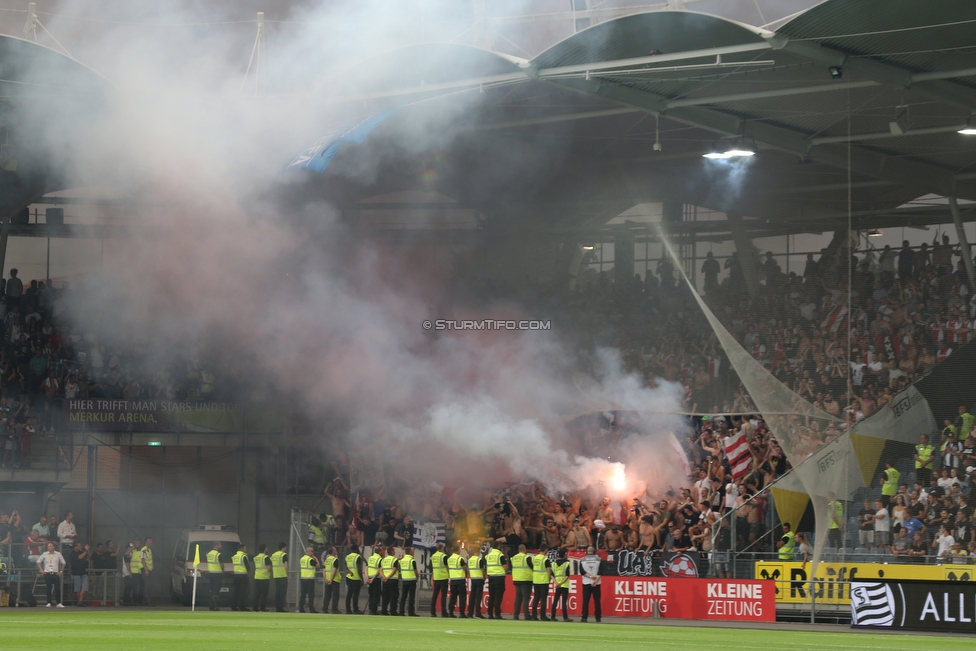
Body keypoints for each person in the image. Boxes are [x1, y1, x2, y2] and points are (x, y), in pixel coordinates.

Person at [37, 541, 66, 607]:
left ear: (53, 547)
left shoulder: (58, 554)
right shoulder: (45, 554)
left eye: (50, 546)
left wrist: (61, 571)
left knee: (57, 588)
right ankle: (49, 602)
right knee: (48, 588)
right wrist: (42, 570)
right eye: (48, 546)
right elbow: (38, 561)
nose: (49, 548)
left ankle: (58, 602)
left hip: (55, 573)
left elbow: (63, 563)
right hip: (47, 573)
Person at [485, 540, 508, 620]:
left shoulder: (488, 555)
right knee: (498, 596)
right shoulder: (500, 555)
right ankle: (497, 614)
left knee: (491, 596)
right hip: (499, 577)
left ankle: (490, 613)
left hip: (491, 577)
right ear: (498, 546)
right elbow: (505, 567)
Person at [579, 546, 602, 623]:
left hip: (586, 582)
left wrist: (591, 577)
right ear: (594, 551)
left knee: (586, 601)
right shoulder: (599, 560)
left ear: (586, 552)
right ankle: (598, 618)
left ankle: (584, 617)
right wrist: (595, 579)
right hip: (596, 583)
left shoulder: (582, 560)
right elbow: (601, 571)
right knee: (597, 601)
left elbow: (582, 572)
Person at [530, 545, 552, 621]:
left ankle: (533, 615)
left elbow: (533, 568)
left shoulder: (534, 558)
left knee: (536, 598)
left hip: (536, 580)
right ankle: (542, 616)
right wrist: (549, 579)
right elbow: (549, 570)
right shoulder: (545, 559)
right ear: (545, 550)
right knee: (543, 599)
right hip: (544, 581)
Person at [510, 544, 532, 620]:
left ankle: (516, 615)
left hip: (516, 579)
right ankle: (526, 615)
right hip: (526, 579)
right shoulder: (527, 557)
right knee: (526, 598)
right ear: (524, 549)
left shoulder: (513, 558)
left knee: (518, 598)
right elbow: (533, 567)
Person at [446, 543, 468, 617]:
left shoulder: (449, 559)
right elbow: (465, 569)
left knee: (453, 597)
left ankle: (451, 612)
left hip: (453, 580)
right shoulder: (460, 559)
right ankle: (461, 613)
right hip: (460, 580)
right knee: (462, 597)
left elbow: (448, 568)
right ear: (458, 550)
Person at [550, 548, 572, 622]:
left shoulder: (553, 563)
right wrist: (561, 583)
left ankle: (553, 616)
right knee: (563, 601)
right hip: (564, 585)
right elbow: (567, 575)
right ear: (565, 555)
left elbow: (551, 575)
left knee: (555, 600)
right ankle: (565, 617)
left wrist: (556, 583)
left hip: (557, 585)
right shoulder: (567, 563)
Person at [429, 542, 449, 617]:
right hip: (443, 577)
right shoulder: (443, 556)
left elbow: (432, 567)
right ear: (442, 548)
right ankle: (443, 612)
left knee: (435, 595)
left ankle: (432, 612)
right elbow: (447, 566)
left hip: (436, 577)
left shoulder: (433, 556)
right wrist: (449, 574)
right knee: (443, 596)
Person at [397, 545, 419, 617]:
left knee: (403, 596)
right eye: (412, 551)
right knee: (411, 597)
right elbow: (416, 571)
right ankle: (411, 612)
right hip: (412, 580)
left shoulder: (402, 560)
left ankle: (401, 611)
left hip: (404, 580)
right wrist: (417, 577)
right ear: (410, 551)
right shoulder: (412, 560)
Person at [466, 545, 485, 619]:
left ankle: (470, 613)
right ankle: (477, 613)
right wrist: (484, 577)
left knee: (472, 596)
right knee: (478, 597)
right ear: (479, 551)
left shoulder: (470, 560)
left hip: (473, 579)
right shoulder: (479, 560)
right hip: (479, 579)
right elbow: (482, 570)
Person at [298, 545, 319, 613]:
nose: (313, 553)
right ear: (308, 552)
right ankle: (311, 609)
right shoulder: (310, 560)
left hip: (303, 578)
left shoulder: (302, 559)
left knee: (303, 594)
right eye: (312, 551)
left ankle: (301, 608)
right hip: (310, 579)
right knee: (311, 595)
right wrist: (315, 558)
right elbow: (318, 565)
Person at [344, 544, 365, 614]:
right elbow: (359, 568)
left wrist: (349, 572)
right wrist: (362, 578)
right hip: (356, 578)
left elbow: (345, 568)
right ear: (357, 549)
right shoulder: (358, 557)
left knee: (349, 594)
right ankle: (355, 609)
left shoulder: (347, 557)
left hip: (349, 577)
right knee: (355, 595)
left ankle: (348, 609)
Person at [380, 545, 399, 616]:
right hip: (392, 580)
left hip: (385, 581)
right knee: (393, 596)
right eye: (394, 550)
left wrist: (384, 577)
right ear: (391, 551)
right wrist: (388, 577)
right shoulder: (394, 560)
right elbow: (394, 570)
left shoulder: (383, 560)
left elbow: (380, 570)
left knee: (385, 596)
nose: (394, 552)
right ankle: (393, 611)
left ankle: (384, 610)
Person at [252, 543, 272, 612]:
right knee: (264, 594)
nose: (267, 549)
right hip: (264, 578)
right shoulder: (266, 557)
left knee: (256, 594)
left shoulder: (256, 557)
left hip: (257, 577)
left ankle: (255, 608)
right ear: (264, 549)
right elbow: (269, 568)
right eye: (266, 548)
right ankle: (262, 608)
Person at [231, 543, 251, 612]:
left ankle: (233, 606)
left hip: (236, 575)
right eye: (245, 548)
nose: (246, 549)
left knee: (236, 592)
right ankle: (242, 606)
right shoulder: (243, 556)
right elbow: (248, 567)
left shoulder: (234, 556)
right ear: (242, 549)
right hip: (243, 576)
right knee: (243, 592)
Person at [69, 542, 90, 606]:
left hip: (83, 572)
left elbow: (89, 555)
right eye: (78, 545)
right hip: (76, 573)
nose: (80, 546)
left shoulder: (82, 552)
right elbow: (80, 557)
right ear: (75, 547)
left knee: (85, 587)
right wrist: (85, 550)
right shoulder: (72, 554)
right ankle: (80, 601)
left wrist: (87, 550)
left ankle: (80, 601)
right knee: (77, 588)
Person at [321, 546, 340, 614]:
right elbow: (335, 570)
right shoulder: (335, 559)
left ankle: (325, 609)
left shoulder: (327, 559)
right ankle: (334, 609)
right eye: (335, 550)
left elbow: (324, 570)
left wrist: (326, 579)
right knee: (335, 595)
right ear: (333, 552)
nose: (336, 551)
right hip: (334, 579)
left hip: (327, 579)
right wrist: (331, 579)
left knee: (327, 595)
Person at [206, 541, 224, 611]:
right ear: (216, 545)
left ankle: (211, 606)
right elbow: (222, 565)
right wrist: (222, 570)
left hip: (211, 574)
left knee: (212, 590)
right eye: (220, 544)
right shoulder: (218, 554)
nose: (221, 546)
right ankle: (214, 606)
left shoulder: (208, 554)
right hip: (217, 574)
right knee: (216, 591)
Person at [366, 545, 384, 615]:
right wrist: (373, 578)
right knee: (376, 595)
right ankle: (374, 610)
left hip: (369, 578)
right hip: (376, 578)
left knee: (371, 594)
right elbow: (379, 570)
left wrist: (367, 578)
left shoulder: (370, 558)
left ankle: (370, 608)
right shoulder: (380, 559)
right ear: (379, 551)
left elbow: (366, 567)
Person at [271, 542, 288, 613]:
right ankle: (280, 607)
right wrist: (286, 572)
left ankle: (277, 607)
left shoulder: (273, 555)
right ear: (283, 547)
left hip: (276, 575)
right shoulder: (284, 555)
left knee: (277, 592)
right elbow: (286, 566)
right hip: (282, 575)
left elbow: (271, 565)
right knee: (282, 592)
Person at [129, 539, 146, 607]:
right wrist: (132, 548)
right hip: (134, 572)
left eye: (139, 543)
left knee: (142, 586)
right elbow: (126, 554)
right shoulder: (132, 551)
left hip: (140, 572)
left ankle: (140, 600)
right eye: (137, 543)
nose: (138, 544)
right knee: (135, 587)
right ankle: (135, 601)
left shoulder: (142, 551)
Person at [141, 538, 154, 606]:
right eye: (150, 541)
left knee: (146, 586)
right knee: (147, 587)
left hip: (149, 570)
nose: (151, 542)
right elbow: (143, 560)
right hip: (146, 570)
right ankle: (148, 602)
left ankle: (144, 602)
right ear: (146, 542)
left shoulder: (149, 550)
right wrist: (146, 570)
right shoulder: (144, 550)